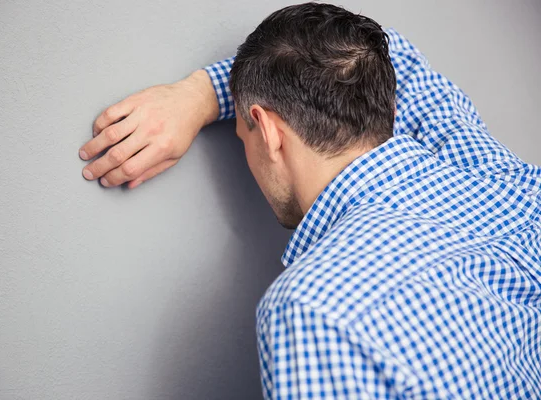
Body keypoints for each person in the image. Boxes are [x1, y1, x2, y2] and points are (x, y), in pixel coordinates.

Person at [78, 3, 541, 398]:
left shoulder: (316, 310)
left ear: (269, 131)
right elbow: (387, 53)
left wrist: (201, 93)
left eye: (245, 135)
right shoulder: (496, 175)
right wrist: (205, 93)